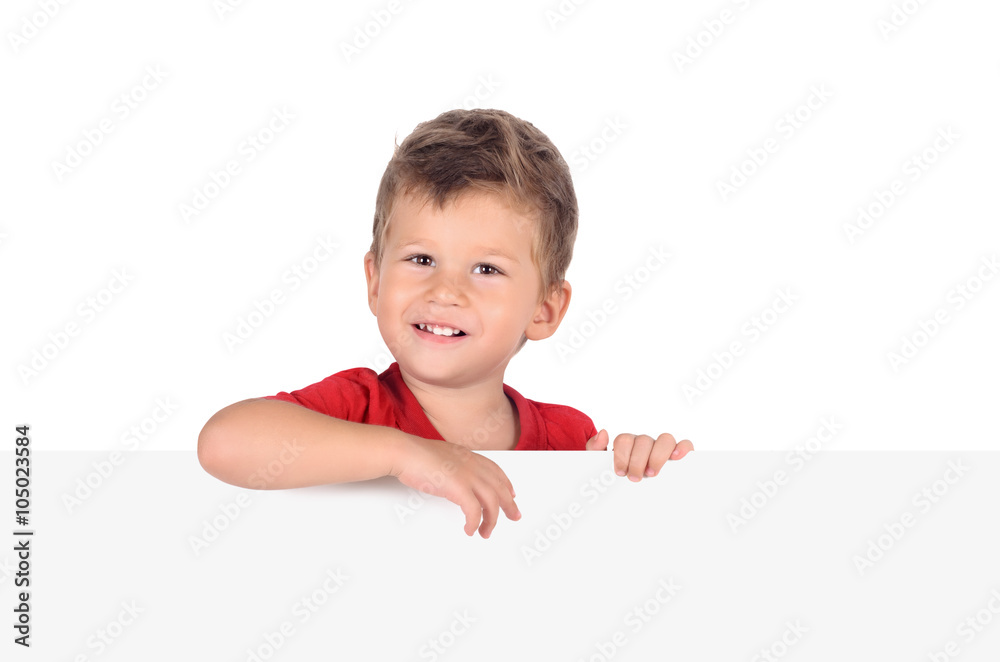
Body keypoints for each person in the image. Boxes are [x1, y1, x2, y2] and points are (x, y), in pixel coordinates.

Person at [198, 108, 693, 538]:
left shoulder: (567, 438)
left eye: (486, 269)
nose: (445, 291)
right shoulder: (356, 409)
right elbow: (223, 443)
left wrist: (639, 471)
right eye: (421, 259)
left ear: (544, 310)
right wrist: (404, 454)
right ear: (375, 282)